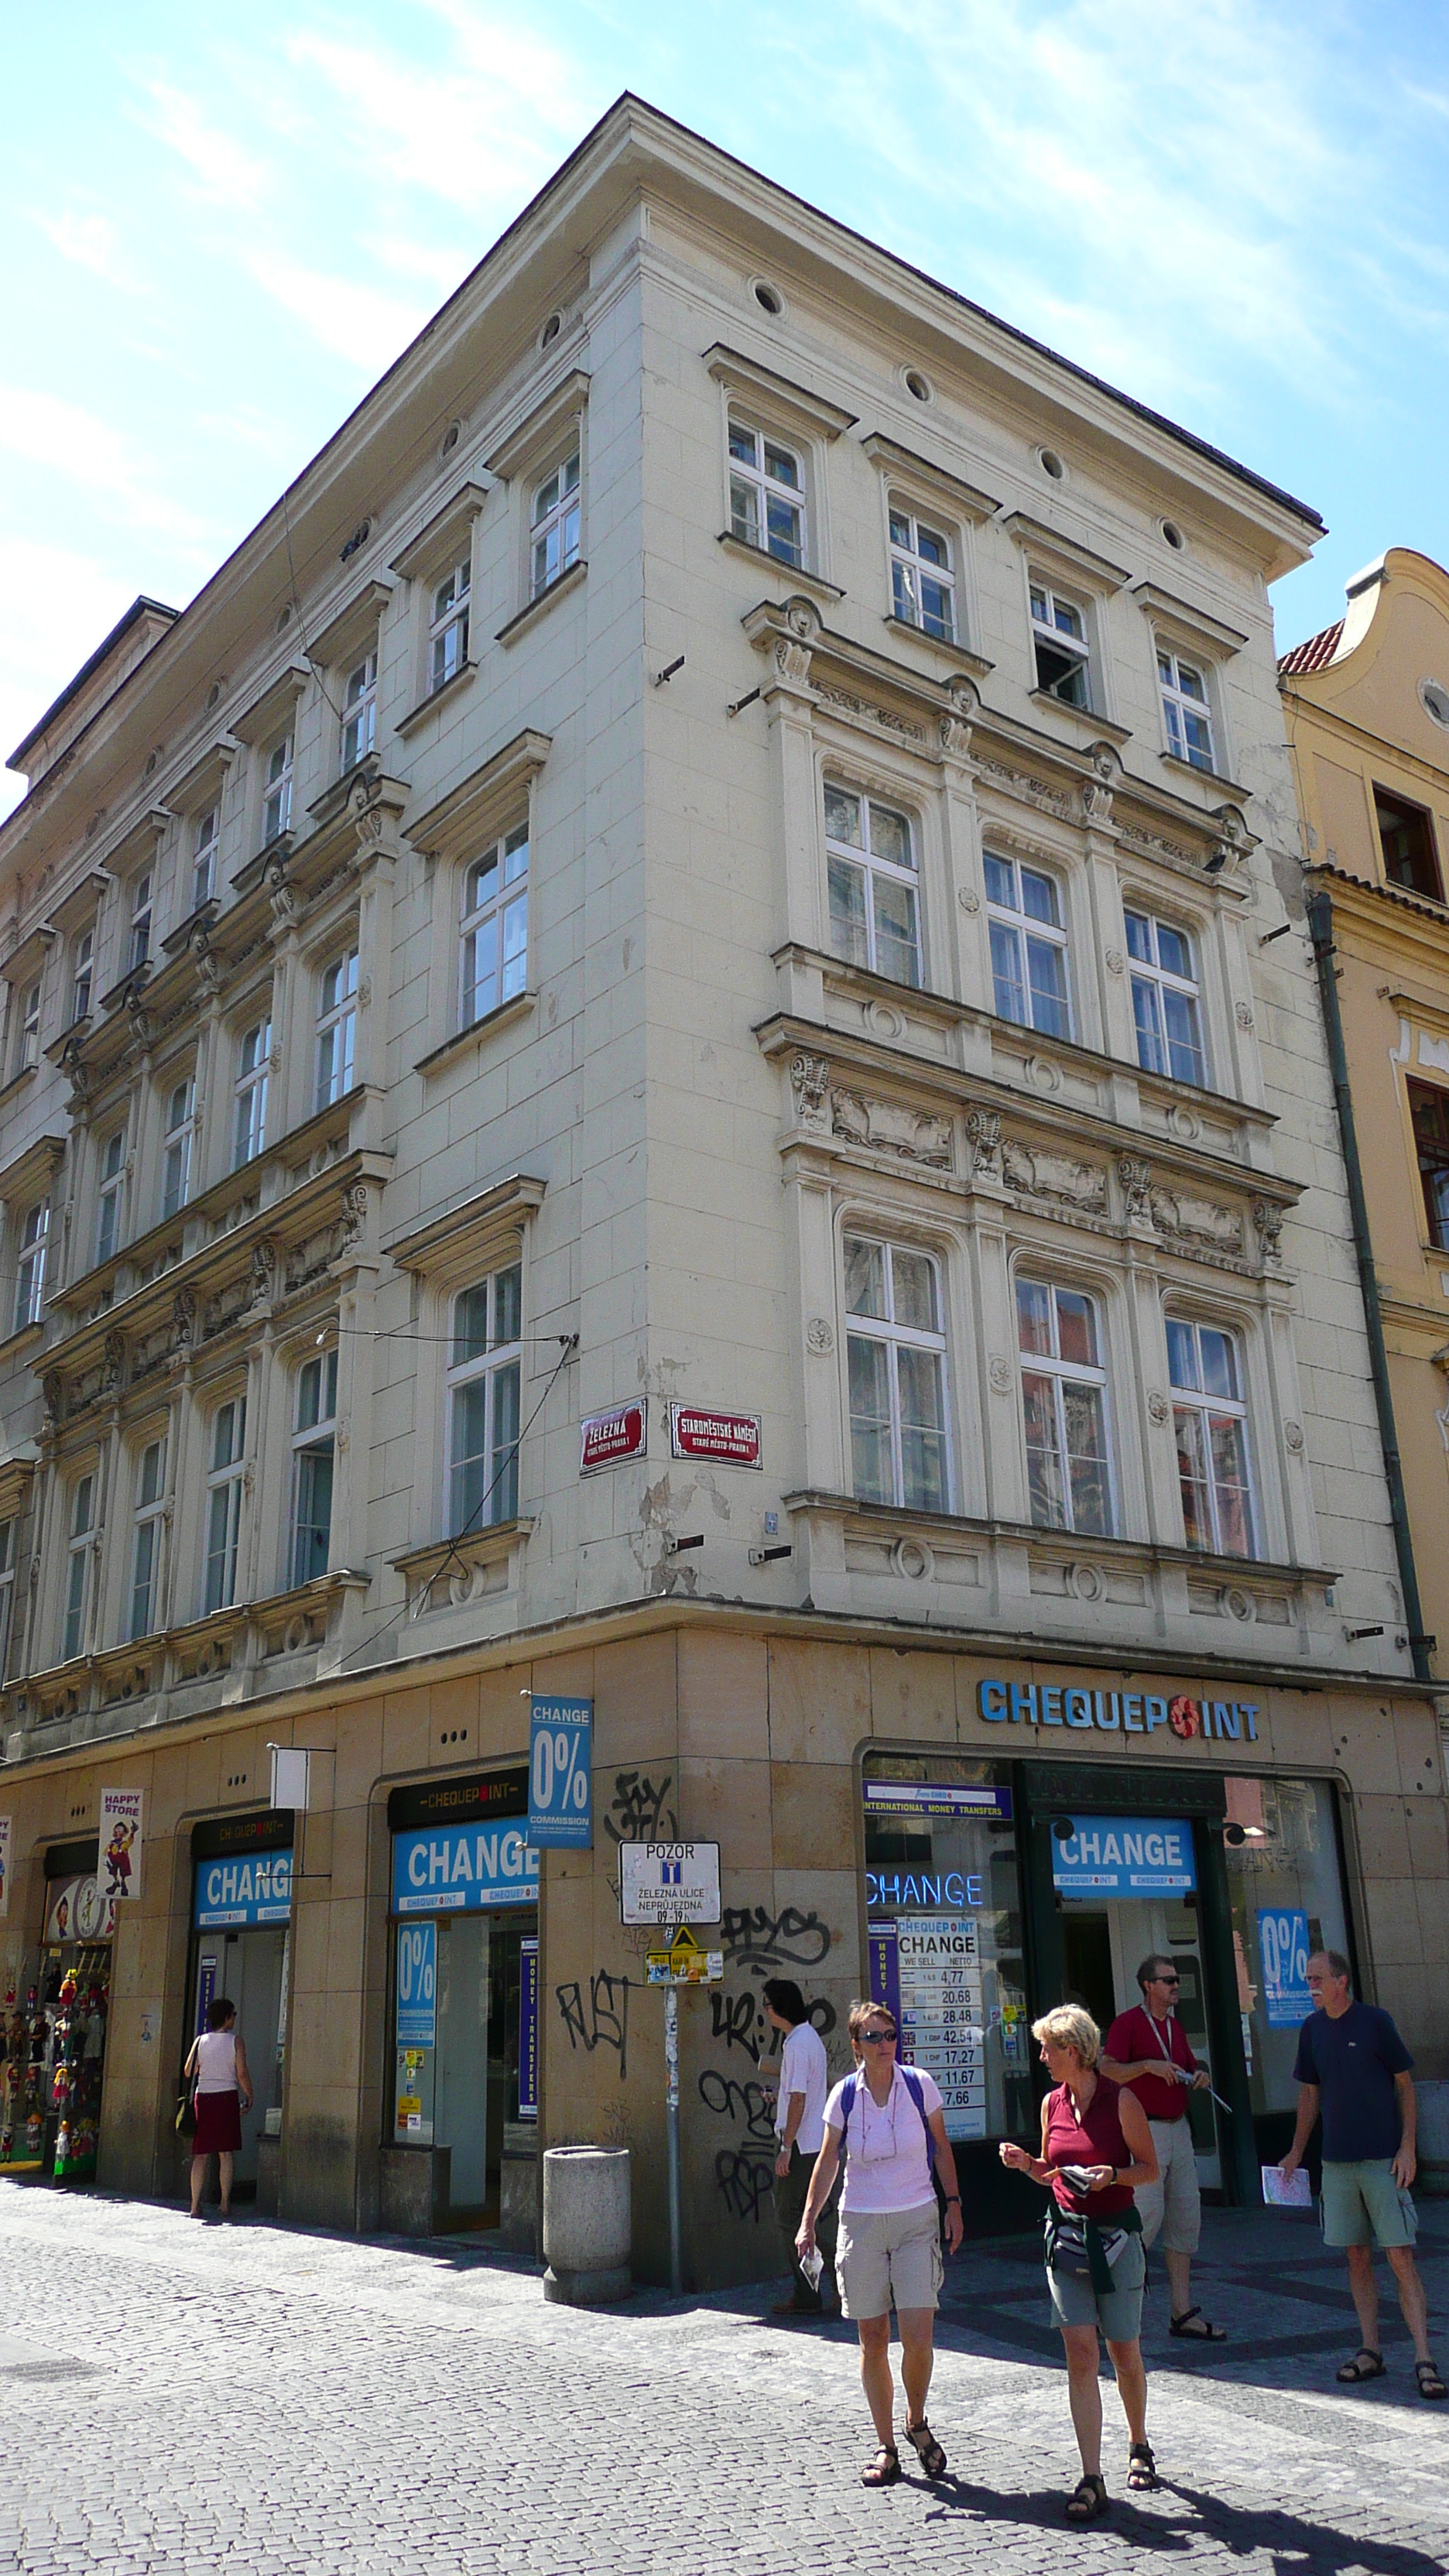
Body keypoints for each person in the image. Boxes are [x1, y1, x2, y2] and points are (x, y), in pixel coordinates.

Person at [1000, 2004, 1160, 2523]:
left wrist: (1110, 2175)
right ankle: (1092, 2476)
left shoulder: (1123, 2100)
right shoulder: (1052, 2103)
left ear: (1075, 2051)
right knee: (1080, 2353)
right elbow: (1052, 2171)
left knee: (1124, 2351)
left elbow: (1149, 2170)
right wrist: (1028, 2165)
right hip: (1066, 2240)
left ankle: (1138, 2442)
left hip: (1116, 2239)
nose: (1042, 2056)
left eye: (1048, 2048)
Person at [796, 1999, 964, 2489]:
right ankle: (886, 2444)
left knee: (918, 2337)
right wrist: (808, 2222)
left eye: (890, 2035)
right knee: (873, 2342)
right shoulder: (844, 2095)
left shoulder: (920, 2086)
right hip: (862, 2223)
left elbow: (943, 2148)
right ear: (856, 2046)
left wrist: (953, 2204)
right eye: (873, 2037)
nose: (885, 2045)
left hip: (916, 2221)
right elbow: (827, 2162)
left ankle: (916, 2420)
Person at [1279, 1951, 1444, 2400]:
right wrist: (1296, 2150)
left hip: (1382, 2161)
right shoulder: (1311, 2029)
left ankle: (1424, 2357)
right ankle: (1370, 2349)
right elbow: (1309, 2093)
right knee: (1355, 2255)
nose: (1310, 1984)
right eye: (1307, 1978)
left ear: (1342, 1981)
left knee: (1400, 2256)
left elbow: (1405, 2086)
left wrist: (1409, 2148)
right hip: (1336, 2162)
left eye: (1318, 1977)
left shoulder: (1375, 2021)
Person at [1102, 1954, 1225, 2342]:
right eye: (1168, 1980)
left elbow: (1186, 2068)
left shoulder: (1175, 2027)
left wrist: (1199, 2075)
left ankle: (1181, 2311)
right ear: (1148, 1986)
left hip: (1179, 2129)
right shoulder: (1128, 2024)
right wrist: (1147, 2066)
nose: (1175, 1986)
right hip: (1146, 2132)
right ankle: (1114, 2309)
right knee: (1144, 2219)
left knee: (1186, 2219)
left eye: (1177, 1979)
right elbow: (1106, 2068)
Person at [760, 1978, 836, 2315]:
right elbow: (799, 2095)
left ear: (779, 2007)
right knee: (802, 2221)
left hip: (803, 2147)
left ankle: (821, 2283)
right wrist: (779, 2098)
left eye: (766, 2003)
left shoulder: (797, 2044)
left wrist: (786, 2146)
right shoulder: (806, 2039)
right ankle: (819, 2286)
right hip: (810, 2142)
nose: (764, 2010)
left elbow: (800, 2099)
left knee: (790, 2219)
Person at [183, 1997, 252, 2221]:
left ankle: (195, 2205)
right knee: (225, 2153)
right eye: (233, 2014)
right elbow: (241, 2072)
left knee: (200, 2154)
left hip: (202, 2098)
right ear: (226, 2018)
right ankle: (224, 2204)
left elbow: (188, 2071)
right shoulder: (236, 2041)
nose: (234, 2018)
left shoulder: (200, 2041)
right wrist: (250, 2095)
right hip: (226, 2097)